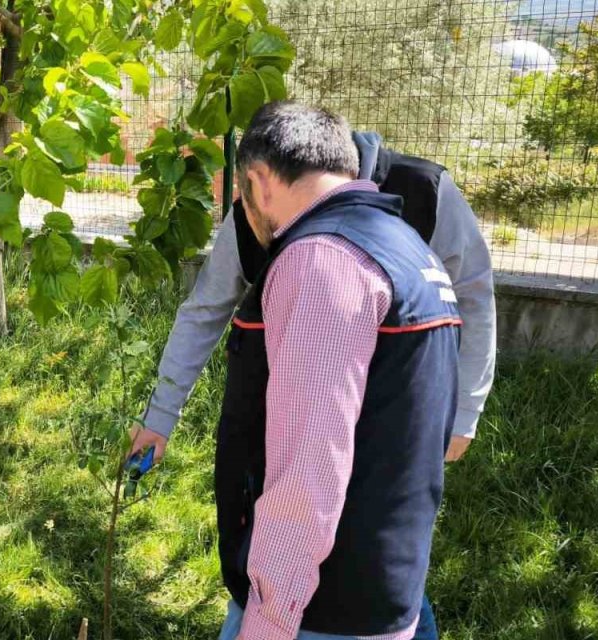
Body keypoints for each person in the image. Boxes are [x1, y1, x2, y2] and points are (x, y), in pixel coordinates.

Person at [132, 123, 496, 640]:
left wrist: (269, 619)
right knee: (386, 562)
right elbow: (204, 309)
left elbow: (308, 473)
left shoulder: (329, 256)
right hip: (380, 549)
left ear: (260, 180)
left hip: (320, 589)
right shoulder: (390, 237)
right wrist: (159, 416)